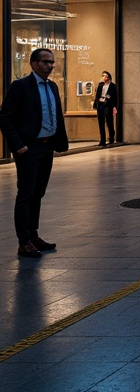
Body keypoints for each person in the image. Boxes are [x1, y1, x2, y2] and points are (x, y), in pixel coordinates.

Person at [0, 48, 68, 258]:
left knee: (38, 193)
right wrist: (18, 145)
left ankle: (34, 235)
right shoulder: (20, 86)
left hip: (47, 147)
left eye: (52, 62)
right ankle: (24, 242)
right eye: (46, 62)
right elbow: (5, 117)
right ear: (34, 64)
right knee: (26, 194)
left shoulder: (52, 86)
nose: (51, 66)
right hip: (28, 148)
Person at [94, 70, 117, 146]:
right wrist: (97, 102)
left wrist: (114, 106)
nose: (104, 78)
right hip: (100, 104)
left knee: (109, 122)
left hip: (108, 105)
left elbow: (115, 97)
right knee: (101, 122)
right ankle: (102, 140)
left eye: (106, 76)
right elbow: (97, 95)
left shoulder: (113, 86)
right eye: (103, 76)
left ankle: (111, 138)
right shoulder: (100, 85)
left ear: (109, 77)